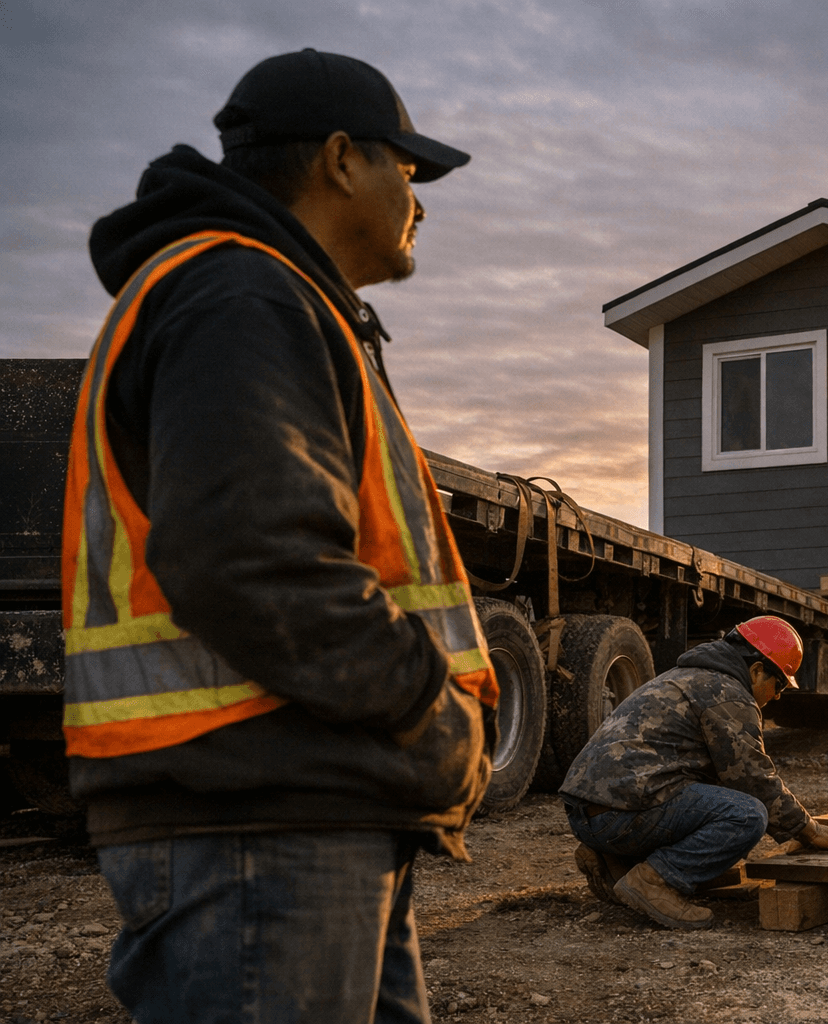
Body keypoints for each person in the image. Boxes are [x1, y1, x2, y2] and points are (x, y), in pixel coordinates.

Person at [63, 50, 493, 1023]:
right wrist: (435, 702)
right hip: (259, 826)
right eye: (408, 169)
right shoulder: (242, 297)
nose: (420, 200)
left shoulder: (281, 302)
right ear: (342, 160)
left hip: (301, 811)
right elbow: (252, 561)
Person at [559, 616, 828, 929]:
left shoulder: (684, 676)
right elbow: (754, 779)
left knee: (716, 793)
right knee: (747, 815)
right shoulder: (728, 693)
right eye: (779, 683)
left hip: (587, 815)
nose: (779, 694)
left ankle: (612, 860)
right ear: (757, 671)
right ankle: (651, 881)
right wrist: (808, 829)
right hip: (619, 817)